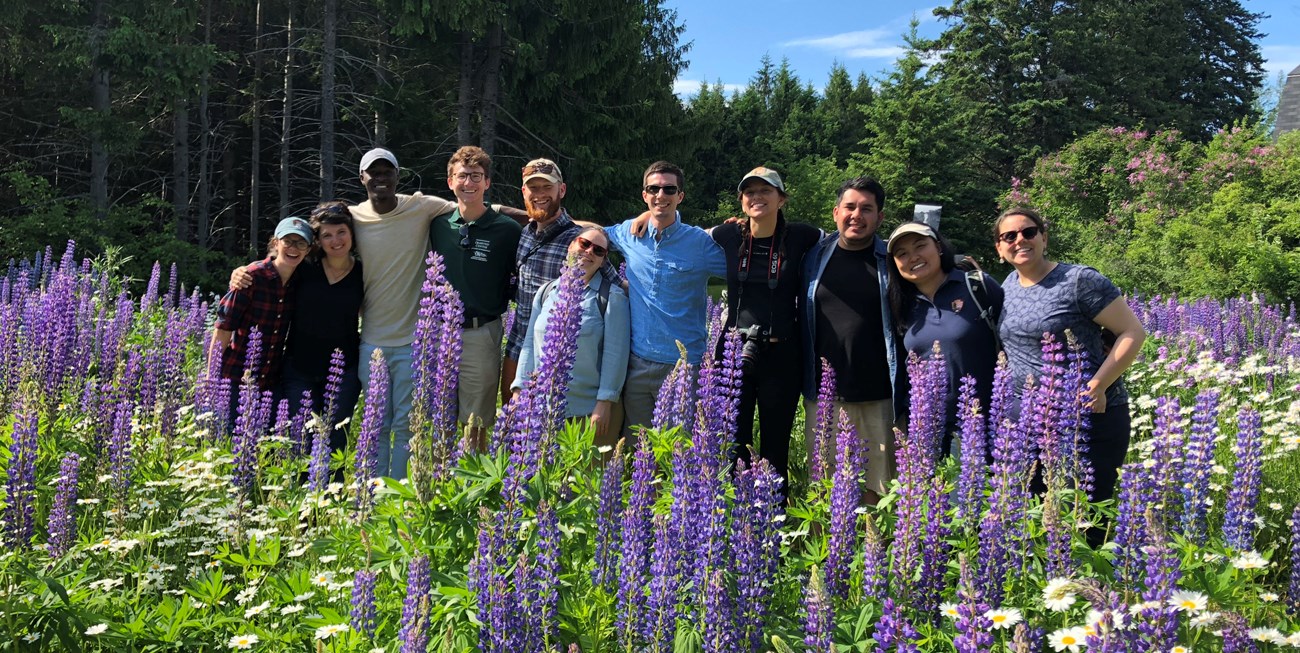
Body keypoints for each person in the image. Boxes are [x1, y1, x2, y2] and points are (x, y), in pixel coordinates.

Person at [993, 206, 1146, 504]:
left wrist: (1099, 384)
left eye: (1029, 232)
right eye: (1009, 236)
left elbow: (1132, 332)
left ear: (1044, 238)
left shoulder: (1079, 280)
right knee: (1036, 515)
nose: (1019, 240)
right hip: (1030, 421)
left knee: (1084, 514)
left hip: (1087, 418)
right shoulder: (1007, 286)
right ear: (999, 248)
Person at [710, 167, 821, 487]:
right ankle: (732, 516)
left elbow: (845, 239)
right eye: (750, 192)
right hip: (733, 352)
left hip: (782, 352)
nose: (757, 197)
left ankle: (774, 520)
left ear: (781, 199)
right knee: (732, 441)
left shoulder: (802, 235)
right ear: (742, 201)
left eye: (766, 191)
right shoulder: (728, 234)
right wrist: (647, 220)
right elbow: (685, 235)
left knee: (776, 444)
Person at [607, 160, 727, 440]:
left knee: (679, 456)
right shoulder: (629, 232)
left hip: (685, 367)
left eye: (669, 189)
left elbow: (741, 269)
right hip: (636, 364)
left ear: (680, 196)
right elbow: (591, 235)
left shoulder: (700, 243)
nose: (661, 195)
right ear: (644, 195)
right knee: (640, 453)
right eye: (654, 189)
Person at [802, 177, 901, 504]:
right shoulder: (813, 257)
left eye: (866, 209)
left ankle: (875, 553)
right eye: (850, 207)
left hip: (879, 396)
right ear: (836, 212)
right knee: (824, 491)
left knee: (879, 489)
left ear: (879, 218)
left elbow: (931, 267)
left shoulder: (892, 260)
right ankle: (828, 555)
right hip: (824, 396)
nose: (857, 215)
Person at [502, 158, 618, 410]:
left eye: (547, 187)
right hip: (518, 349)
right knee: (513, 435)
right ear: (524, 192)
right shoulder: (524, 234)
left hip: (557, 356)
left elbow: (618, 288)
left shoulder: (582, 243)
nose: (540, 194)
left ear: (561, 190)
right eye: (533, 188)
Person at [429, 146, 522, 450]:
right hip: (438, 333)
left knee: (476, 419)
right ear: (450, 182)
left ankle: (471, 485)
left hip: (481, 331)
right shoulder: (437, 224)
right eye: (462, 176)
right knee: (437, 414)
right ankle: (440, 480)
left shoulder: (507, 230)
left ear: (487, 183)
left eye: (476, 177)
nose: (468, 183)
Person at [886, 221, 1002, 456]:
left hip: (984, 425)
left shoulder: (975, 286)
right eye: (902, 254)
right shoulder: (899, 304)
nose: (913, 257)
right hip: (925, 428)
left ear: (938, 247)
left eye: (920, 246)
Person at [512, 227, 630, 447]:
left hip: (587, 411)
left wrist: (604, 403)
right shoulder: (547, 291)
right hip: (541, 408)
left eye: (598, 251)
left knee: (587, 478)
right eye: (584, 244)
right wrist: (520, 387)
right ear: (571, 246)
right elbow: (529, 344)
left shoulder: (611, 297)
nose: (588, 252)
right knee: (544, 476)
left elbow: (616, 356)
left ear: (604, 261)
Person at [280, 201, 364, 460]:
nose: (335, 240)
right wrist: (241, 272)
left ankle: (333, 497)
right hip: (299, 368)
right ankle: (299, 497)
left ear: (352, 234)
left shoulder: (365, 272)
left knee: (336, 440)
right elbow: (272, 269)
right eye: (326, 235)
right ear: (318, 240)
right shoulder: (304, 268)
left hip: (344, 371)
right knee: (300, 440)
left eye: (341, 232)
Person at [211, 217, 313, 423]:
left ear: (308, 250)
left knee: (262, 448)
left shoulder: (301, 282)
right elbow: (223, 328)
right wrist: (210, 378)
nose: (294, 248)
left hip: (269, 383)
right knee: (226, 440)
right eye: (288, 241)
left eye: (301, 243)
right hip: (234, 379)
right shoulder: (251, 277)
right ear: (276, 243)